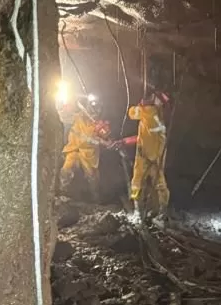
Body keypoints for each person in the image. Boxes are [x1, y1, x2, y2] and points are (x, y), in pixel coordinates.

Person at [113, 88, 170, 219]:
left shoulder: (148, 111)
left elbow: (131, 113)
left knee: (137, 183)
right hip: (158, 155)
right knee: (160, 183)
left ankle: (138, 210)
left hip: (144, 156)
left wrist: (142, 103)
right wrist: (126, 141)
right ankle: (161, 211)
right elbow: (145, 135)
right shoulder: (161, 115)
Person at [60, 95, 110, 201]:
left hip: (89, 155)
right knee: (67, 168)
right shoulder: (78, 117)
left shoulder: (100, 125)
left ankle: (95, 198)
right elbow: (64, 116)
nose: (95, 111)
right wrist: (64, 105)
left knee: (92, 177)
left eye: (97, 108)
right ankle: (63, 192)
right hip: (74, 149)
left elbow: (107, 137)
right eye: (92, 107)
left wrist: (103, 130)